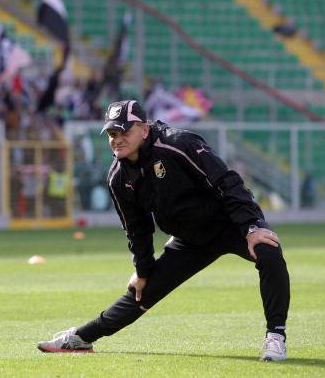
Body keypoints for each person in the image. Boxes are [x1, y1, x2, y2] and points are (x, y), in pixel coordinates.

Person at [37, 100, 290, 361]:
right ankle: (80, 338)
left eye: (125, 131)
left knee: (269, 252)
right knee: (141, 293)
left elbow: (227, 182)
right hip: (189, 240)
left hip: (230, 224)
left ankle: (275, 337)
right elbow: (137, 229)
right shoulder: (118, 178)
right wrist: (142, 270)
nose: (117, 139)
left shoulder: (178, 143)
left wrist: (251, 227)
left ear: (144, 129)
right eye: (112, 133)